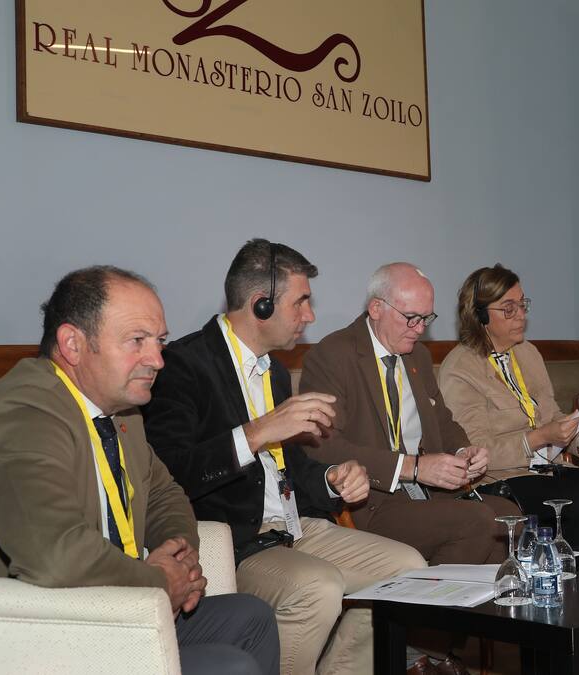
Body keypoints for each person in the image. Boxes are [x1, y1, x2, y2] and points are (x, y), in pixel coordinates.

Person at [0, 266, 279, 675]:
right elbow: (55, 555)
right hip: (25, 630)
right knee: (229, 666)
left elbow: (166, 494)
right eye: (137, 341)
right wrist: (159, 581)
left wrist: (177, 553)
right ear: (73, 344)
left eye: (159, 341)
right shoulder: (24, 413)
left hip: (108, 607)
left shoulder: (121, 412)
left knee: (251, 618)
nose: (158, 360)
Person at [141, 241, 427, 675]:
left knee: (408, 570)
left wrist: (332, 478)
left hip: (294, 527)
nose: (309, 316)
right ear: (261, 305)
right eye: (301, 302)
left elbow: (291, 469)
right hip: (236, 541)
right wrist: (256, 433)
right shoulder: (182, 365)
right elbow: (173, 474)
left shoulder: (273, 371)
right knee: (318, 586)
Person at [298, 262, 521, 566]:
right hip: (374, 501)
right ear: (376, 308)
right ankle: (427, 606)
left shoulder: (418, 354)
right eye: (411, 318)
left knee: (511, 517)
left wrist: (463, 450)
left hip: (428, 494)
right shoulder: (333, 355)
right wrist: (412, 468)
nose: (419, 329)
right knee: (477, 521)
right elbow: (323, 446)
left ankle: (470, 607)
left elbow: (442, 419)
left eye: (426, 318)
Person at [438, 265, 579, 545]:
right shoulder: (459, 369)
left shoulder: (528, 353)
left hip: (547, 470)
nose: (521, 314)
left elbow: (552, 416)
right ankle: (571, 577)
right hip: (498, 479)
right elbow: (475, 452)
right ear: (480, 315)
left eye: (522, 304)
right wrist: (539, 438)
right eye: (508, 308)